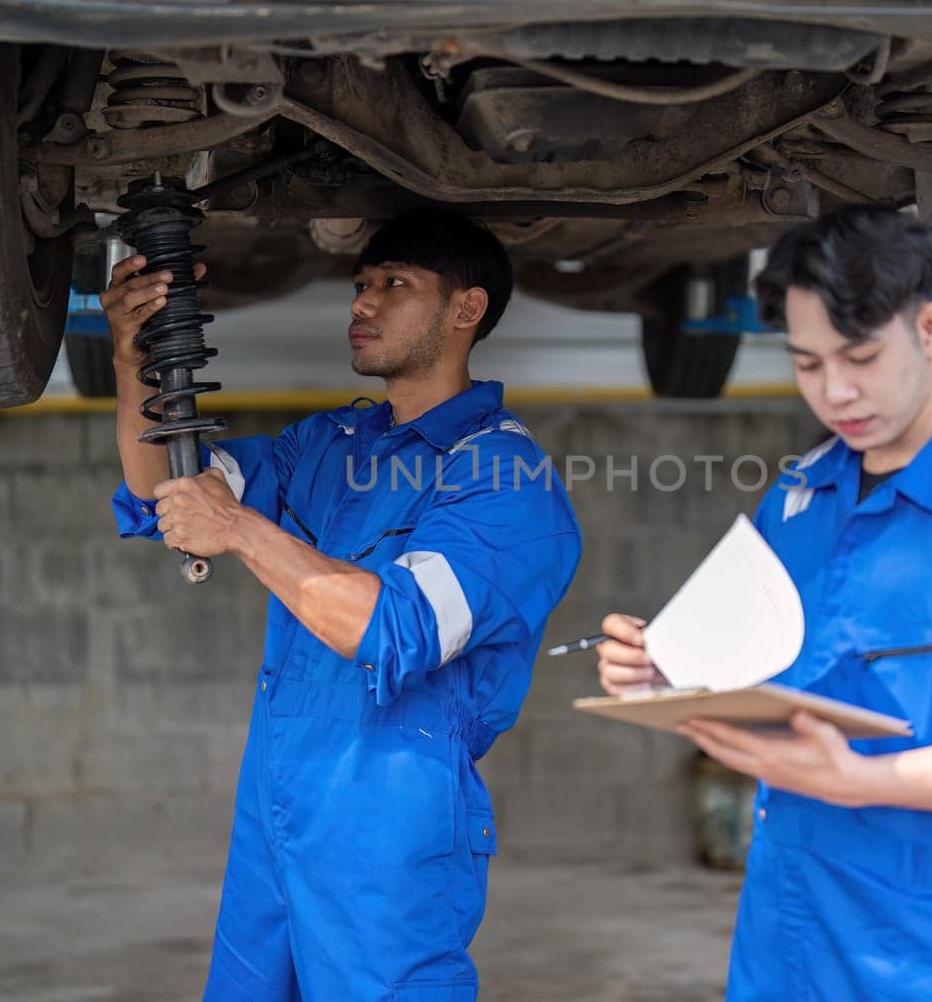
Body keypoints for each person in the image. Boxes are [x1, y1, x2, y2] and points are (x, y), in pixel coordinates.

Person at [596, 206, 932, 1001]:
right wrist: (659, 671)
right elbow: (748, 671)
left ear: (931, 326)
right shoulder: (800, 500)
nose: (835, 392)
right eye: (807, 363)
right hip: (788, 937)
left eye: (862, 356)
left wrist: (864, 781)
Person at [104, 212, 582, 1001]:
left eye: (394, 285)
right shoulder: (330, 443)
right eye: (361, 285)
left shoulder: (505, 479)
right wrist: (133, 361)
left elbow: (394, 627)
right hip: (276, 810)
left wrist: (238, 527)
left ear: (467, 310)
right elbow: (174, 490)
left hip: (385, 834)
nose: (362, 304)